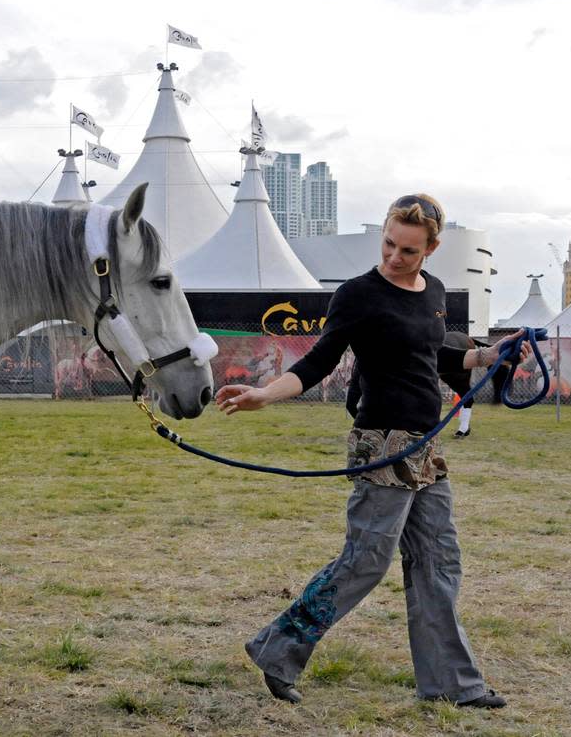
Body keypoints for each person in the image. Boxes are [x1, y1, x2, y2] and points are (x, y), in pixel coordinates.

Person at [216, 193, 531, 709]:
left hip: (426, 448)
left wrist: (485, 355)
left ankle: (453, 684)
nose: (394, 257)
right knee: (366, 561)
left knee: (438, 561)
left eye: (408, 249)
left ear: (431, 248)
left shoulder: (434, 290)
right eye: (389, 243)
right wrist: (264, 394)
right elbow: (319, 360)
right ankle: (277, 649)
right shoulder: (358, 295)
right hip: (380, 445)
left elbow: (433, 353)